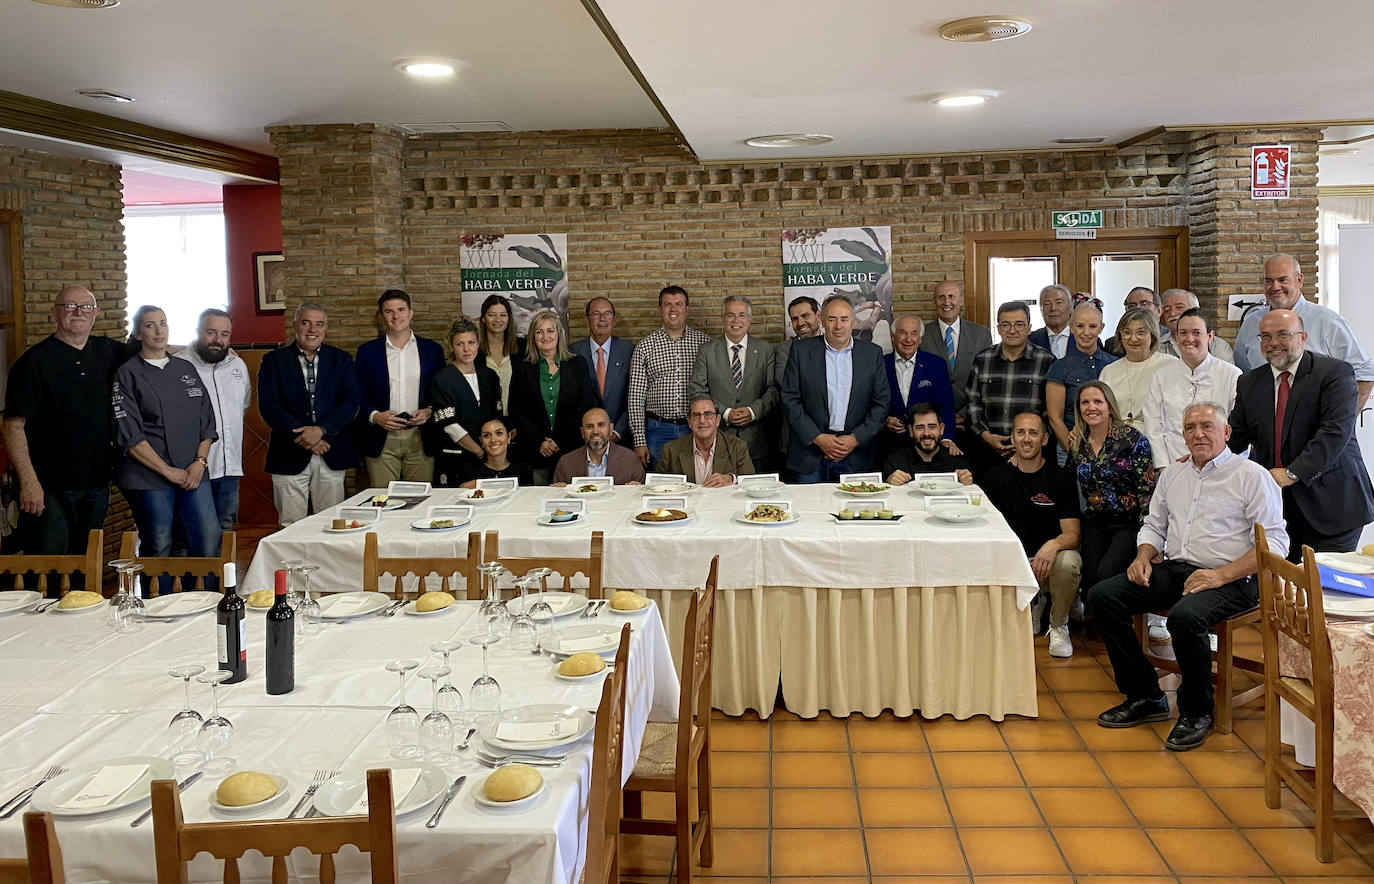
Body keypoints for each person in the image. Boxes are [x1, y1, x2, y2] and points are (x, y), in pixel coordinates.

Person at [1087, 402, 1287, 751]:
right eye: (1191, 427)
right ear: (1183, 434)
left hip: (1237, 578)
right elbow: (1154, 525)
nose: (1198, 433)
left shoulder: (1251, 476)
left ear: (1226, 433)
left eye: (1207, 426)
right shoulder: (1173, 474)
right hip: (1179, 569)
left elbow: (1275, 544)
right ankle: (1146, 696)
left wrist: (1220, 575)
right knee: (1103, 595)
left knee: (1185, 616)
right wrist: (1143, 555)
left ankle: (1197, 711)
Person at [2, 285, 130, 574]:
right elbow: (13, 426)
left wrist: (213, 353)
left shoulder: (109, 351)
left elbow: (153, 350)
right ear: (54, 313)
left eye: (86, 306)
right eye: (69, 306)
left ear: (96, 313)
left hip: (97, 484)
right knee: (49, 566)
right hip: (49, 488)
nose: (78, 312)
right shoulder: (33, 362)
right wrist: (29, 482)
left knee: (86, 564)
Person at [1228, 309, 1374, 560]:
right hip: (1277, 509)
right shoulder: (1249, 382)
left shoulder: (1334, 373)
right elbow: (1237, 435)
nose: (1273, 343)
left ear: (1303, 337)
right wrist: (1206, 455)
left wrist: (1292, 472)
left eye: (1283, 334)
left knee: (1321, 591)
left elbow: (1334, 433)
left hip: (1332, 504)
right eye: (1265, 336)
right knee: (1281, 588)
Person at [112, 306, 219, 558]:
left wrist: (200, 463)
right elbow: (130, 434)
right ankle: (158, 598)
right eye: (150, 325)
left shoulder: (185, 369)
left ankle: (203, 596)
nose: (159, 330)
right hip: (149, 476)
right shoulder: (127, 374)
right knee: (160, 542)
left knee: (208, 535)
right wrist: (167, 471)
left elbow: (207, 422)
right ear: (138, 334)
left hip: (193, 471)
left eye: (163, 323)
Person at [982, 412, 1082, 657]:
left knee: (1069, 561)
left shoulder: (1060, 478)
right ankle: (1033, 605)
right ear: (1013, 439)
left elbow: (1073, 534)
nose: (1027, 439)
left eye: (1033, 433)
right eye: (1021, 432)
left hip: (1046, 566)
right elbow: (986, 530)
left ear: (1045, 440)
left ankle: (1058, 625)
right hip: (1011, 568)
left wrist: (1052, 545)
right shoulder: (995, 477)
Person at [257, 303, 360, 526]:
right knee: (290, 524)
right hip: (288, 453)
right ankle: (292, 563)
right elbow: (269, 407)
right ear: (295, 326)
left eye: (319, 324)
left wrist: (321, 431)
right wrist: (306, 438)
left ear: (325, 328)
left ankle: (328, 563)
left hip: (330, 451)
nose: (312, 329)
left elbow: (351, 403)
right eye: (306, 323)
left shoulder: (341, 359)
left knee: (332, 523)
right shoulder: (273, 361)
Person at [1233, 254, 1374, 407]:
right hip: (1263, 426)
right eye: (1269, 281)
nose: (1275, 286)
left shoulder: (1328, 322)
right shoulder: (1251, 323)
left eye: (1282, 280)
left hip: (1317, 427)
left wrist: (1342, 421)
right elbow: (1242, 374)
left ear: (1299, 280)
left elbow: (1364, 373)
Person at [781, 294, 889, 482]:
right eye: (832, 319)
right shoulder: (801, 351)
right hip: (810, 454)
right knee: (810, 511)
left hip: (857, 455)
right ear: (822, 320)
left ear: (853, 321)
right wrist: (818, 438)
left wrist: (855, 439)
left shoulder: (872, 354)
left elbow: (881, 403)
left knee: (856, 511)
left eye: (844, 319)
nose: (838, 326)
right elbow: (790, 399)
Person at [1066, 381, 1156, 595]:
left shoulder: (1132, 439)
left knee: (1106, 575)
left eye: (1098, 401)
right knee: (1090, 583)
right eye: (1085, 402)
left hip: (1129, 523)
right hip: (1094, 522)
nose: (1091, 407)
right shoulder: (1079, 444)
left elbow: (1148, 488)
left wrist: (1151, 537)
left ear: (1109, 406)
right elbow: (1068, 481)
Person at [355, 289, 444, 486]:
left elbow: (441, 393)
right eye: (389, 311)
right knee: (383, 501)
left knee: (420, 500)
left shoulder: (432, 350)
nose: (396, 316)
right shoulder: (366, 352)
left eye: (401, 309)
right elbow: (357, 394)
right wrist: (375, 416)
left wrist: (429, 411)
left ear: (411, 313)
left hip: (420, 438)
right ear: (381, 316)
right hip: (381, 438)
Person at [508, 309, 601, 484]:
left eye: (550, 330)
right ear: (532, 337)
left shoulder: (577, 364)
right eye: (539, 331)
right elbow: (516, 409)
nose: (545, 336)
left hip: (570, 448)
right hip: (534, 451)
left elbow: (585, 406)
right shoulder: (522, 368)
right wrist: (540, 441)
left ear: (559, 334)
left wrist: (559, 440)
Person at [965, 301, 1056, 476]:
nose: (1012, 330)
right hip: (988, 452)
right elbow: (972, 403)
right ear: (998, 329)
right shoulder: (983, 360)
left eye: (1019, 324)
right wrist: (985, 435)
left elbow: (1050, 411)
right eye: (1006, 324)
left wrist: (1025, 444)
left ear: (1029, 328)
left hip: (1032, 456)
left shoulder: (1047, 361)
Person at [180, 308, 251, 531]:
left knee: (224, 528)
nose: (217, 340)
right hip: (191, 467)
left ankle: (222, 568)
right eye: (210, 332)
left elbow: (243, 406)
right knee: (187, 531)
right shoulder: (178, 364)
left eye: (224, 334)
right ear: (197, 331)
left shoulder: (237, 365)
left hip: (229, 465)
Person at [687, 295, 778, 471]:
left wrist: (752, 411)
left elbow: (773, 390)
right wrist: (725, 413)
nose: (736, 320)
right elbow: (698, 391)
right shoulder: (707, 351)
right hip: (719, 440)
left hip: (757, 441)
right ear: (723, 319)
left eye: (742, 315)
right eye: (730, 315)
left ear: (749, 320)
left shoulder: (766, 350)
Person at [1142, 308, 1240, 470]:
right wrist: (1164, 466)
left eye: (1196, 333)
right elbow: (1153, 424)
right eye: (1183, 333)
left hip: (1220, 466)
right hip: (1173, 464)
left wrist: (1226, 464)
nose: (1189, 339)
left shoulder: (1231, 375)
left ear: (1210, 336)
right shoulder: (1162, 375)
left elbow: (1237, 427)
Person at [628, 285, 711, 466]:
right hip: (658, 429)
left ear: (687, 308)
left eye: (678, 304)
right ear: (660, 309)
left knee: (698, 482)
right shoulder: (644, 347)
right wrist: (639, 441)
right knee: (661, 483)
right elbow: (635, 398)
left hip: (697, 428)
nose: (673, 310)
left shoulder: (705, 344)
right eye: (667, 305)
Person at [429, 317, 501, 487]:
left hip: (488, 459)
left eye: (471, 342)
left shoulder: (489, 376)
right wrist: (479, 450)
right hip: (455, 458)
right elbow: (449, 425)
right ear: (451, 346)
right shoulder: (443, 379)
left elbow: (496, 418)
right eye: (460, 344)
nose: (467, 349)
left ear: (478, 343)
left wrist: (491, 449)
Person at [1045, 300, 1117, 461]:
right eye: (1080, 326)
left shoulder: (1114, 364)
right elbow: (1055, 417)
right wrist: (1073, 450)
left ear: (1101, 328)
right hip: (1072, 447)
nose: (1086, 332)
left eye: (1092, 326)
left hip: (1112, 449)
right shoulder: (1059, 367)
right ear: (1071, 327)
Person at [919, 280, 993, 434]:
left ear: (961, 300)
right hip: (933, 423)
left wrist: (964, 414)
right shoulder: (921, 335)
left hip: (973, 422)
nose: (947, 302)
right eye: (941, 297)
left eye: (952, 296)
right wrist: (939, 416)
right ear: (934, 301)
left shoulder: (981, 334)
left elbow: (986, 380)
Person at [882, 314, 955, 459]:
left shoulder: (936, 365)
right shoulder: (880, 364)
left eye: (914, 333)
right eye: (903, 332)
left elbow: (946, 406)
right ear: (893, 336)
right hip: (888, 447)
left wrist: (947, 438)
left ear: (920, 338)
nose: (908, 339)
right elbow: (870, 403)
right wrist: (884, 421)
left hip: (928, 448)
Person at [1098, 308, 1177, 432]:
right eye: (1127, 332)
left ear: (1152, 335)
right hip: (1117, 441)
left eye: (1141, 333)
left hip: (1158, 438)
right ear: (1120, 336)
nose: (1133, 339)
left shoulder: (1170, 365)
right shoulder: (1109, 371)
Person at [570, 297, 633, 445]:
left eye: (608, 314)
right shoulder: (572, 353)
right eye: (596, 314)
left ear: (614, 320)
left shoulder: (629, 351)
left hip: (620, 439)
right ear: (587, 320)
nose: (602, 319)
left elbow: (635, 399)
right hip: (583, 440)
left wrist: (617, 431)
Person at [656, 396, 754, 486]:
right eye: (696, 415)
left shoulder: (737, 447)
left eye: (708, 414)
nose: (702, 420)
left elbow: (751, 482)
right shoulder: (670, 450)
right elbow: (658, 486)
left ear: (718, 420)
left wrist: (731, 479)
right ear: (689, 422)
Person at [776, 296, 822, 476]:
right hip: (797, 440)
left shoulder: (832, 347)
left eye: (805, 316)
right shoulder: (784, 349)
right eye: (795, 319)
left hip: (835, 440)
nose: (800, 322)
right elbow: (785, 384)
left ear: (818, 315)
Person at [882, 402, 972, 486]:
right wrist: (889, 480)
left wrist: (967, 480)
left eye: (932, 427)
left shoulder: (958, 461)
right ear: (911, 430)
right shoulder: (895, 462)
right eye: (920, 427)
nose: (926, 433)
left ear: (941, 429)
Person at [552, 407, 646, 486]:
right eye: (589, 426)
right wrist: (557, 492)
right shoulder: (565, 463)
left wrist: (637, 491)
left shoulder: (631, 460)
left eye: (601, 425)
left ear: (611, 429)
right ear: (582, 432)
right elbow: (558, 503)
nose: (595, 432)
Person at [475, 294, 525, 413]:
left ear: (509, 318)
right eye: (492, 315)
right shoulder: (474, 352)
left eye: (503, 315)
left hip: (518, 423)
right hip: (487, 423)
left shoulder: (523, 347)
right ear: (483, 318)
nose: (498, 320)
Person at [1159, 288, 1234, 363]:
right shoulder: (1158, 347)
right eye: (1167, 310)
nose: (1172, 313)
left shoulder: (1217, 346)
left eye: (1179, 307)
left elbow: (1225, 372)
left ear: (1195, 310)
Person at [455, 416, 533, 488]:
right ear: (481, 441)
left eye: (499, 433)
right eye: (486, 435)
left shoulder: (523, 470)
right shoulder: (469, 471)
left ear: (509, 437)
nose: (493, 440)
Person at [1105, 287, 1160, 357]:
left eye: (1144, 304)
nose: (1138, 308)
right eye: (1132, 305)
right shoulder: (1112, 344)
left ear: (1159, 311)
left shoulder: (1169, 337)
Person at [1029, 284, 1074, 357]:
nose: (1053, 308)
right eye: (1047, 304)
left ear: (1070, 307)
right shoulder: (1030, 340)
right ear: (1041, 309)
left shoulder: (1084, 338)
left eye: (1059, 302)